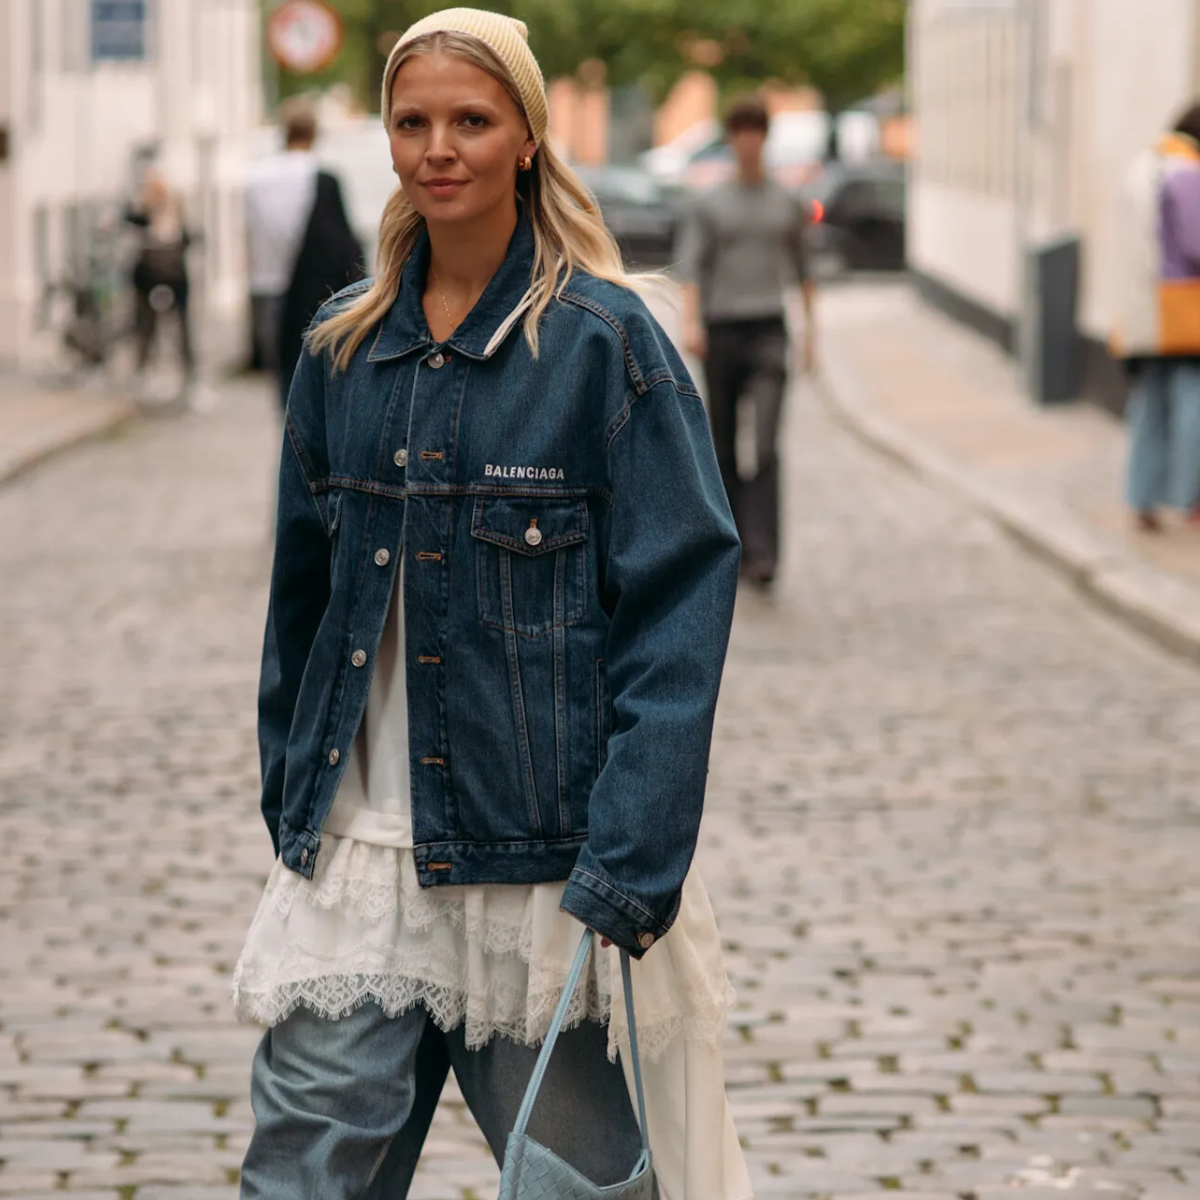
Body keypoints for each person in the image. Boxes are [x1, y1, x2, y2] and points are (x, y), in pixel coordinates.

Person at [231, 9, 751, 1200]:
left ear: (527, 135)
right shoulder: (342, 350)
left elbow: (677, 609)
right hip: (361, 862)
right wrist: (291, 792)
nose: (439, 148)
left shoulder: (605, 347)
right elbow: (299, 604)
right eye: (412, 122)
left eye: (472, 119)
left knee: (575, 1187)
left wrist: (631, 859)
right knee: (301, 1177)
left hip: (542, 871)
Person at [677, 95, 816, 586]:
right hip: (722, 329)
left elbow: (804, 269)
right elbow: (691, 268)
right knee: (723, 444)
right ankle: (730, 542)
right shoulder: (709, 203)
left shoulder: (786, 202)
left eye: (756, 130)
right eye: (741, 131)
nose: (749, 140)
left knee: (767, 444)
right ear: (732, 138)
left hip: (768, 329)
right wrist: (691, 325)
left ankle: (765, 552)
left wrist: (810, 335)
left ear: (765, 137)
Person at [243, 99, 364, 406]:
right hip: (314, 289)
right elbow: (341, 244)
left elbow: (249, 233)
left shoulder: (256, 178)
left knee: (284, 374)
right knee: (320, 374)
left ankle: (288, 439)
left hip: (268, 284)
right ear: (314, 133)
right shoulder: (322, 177)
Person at [1115, 102, 1200, 531]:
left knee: (1148, 406)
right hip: (1185, 313)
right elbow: (1197, 244)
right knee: (1191, 406)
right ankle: (1190, 499)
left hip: (1144, 314)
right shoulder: (1186, 172)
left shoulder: (1145, 165)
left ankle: (1142, 496)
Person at [125, 168, 195, 382]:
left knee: (180, 327)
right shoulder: (144, 214)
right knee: (146, 325)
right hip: (151, 276)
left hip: (172, 276)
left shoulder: (175, 213)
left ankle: (188, 373)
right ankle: (143, 370)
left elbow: (187, 236)